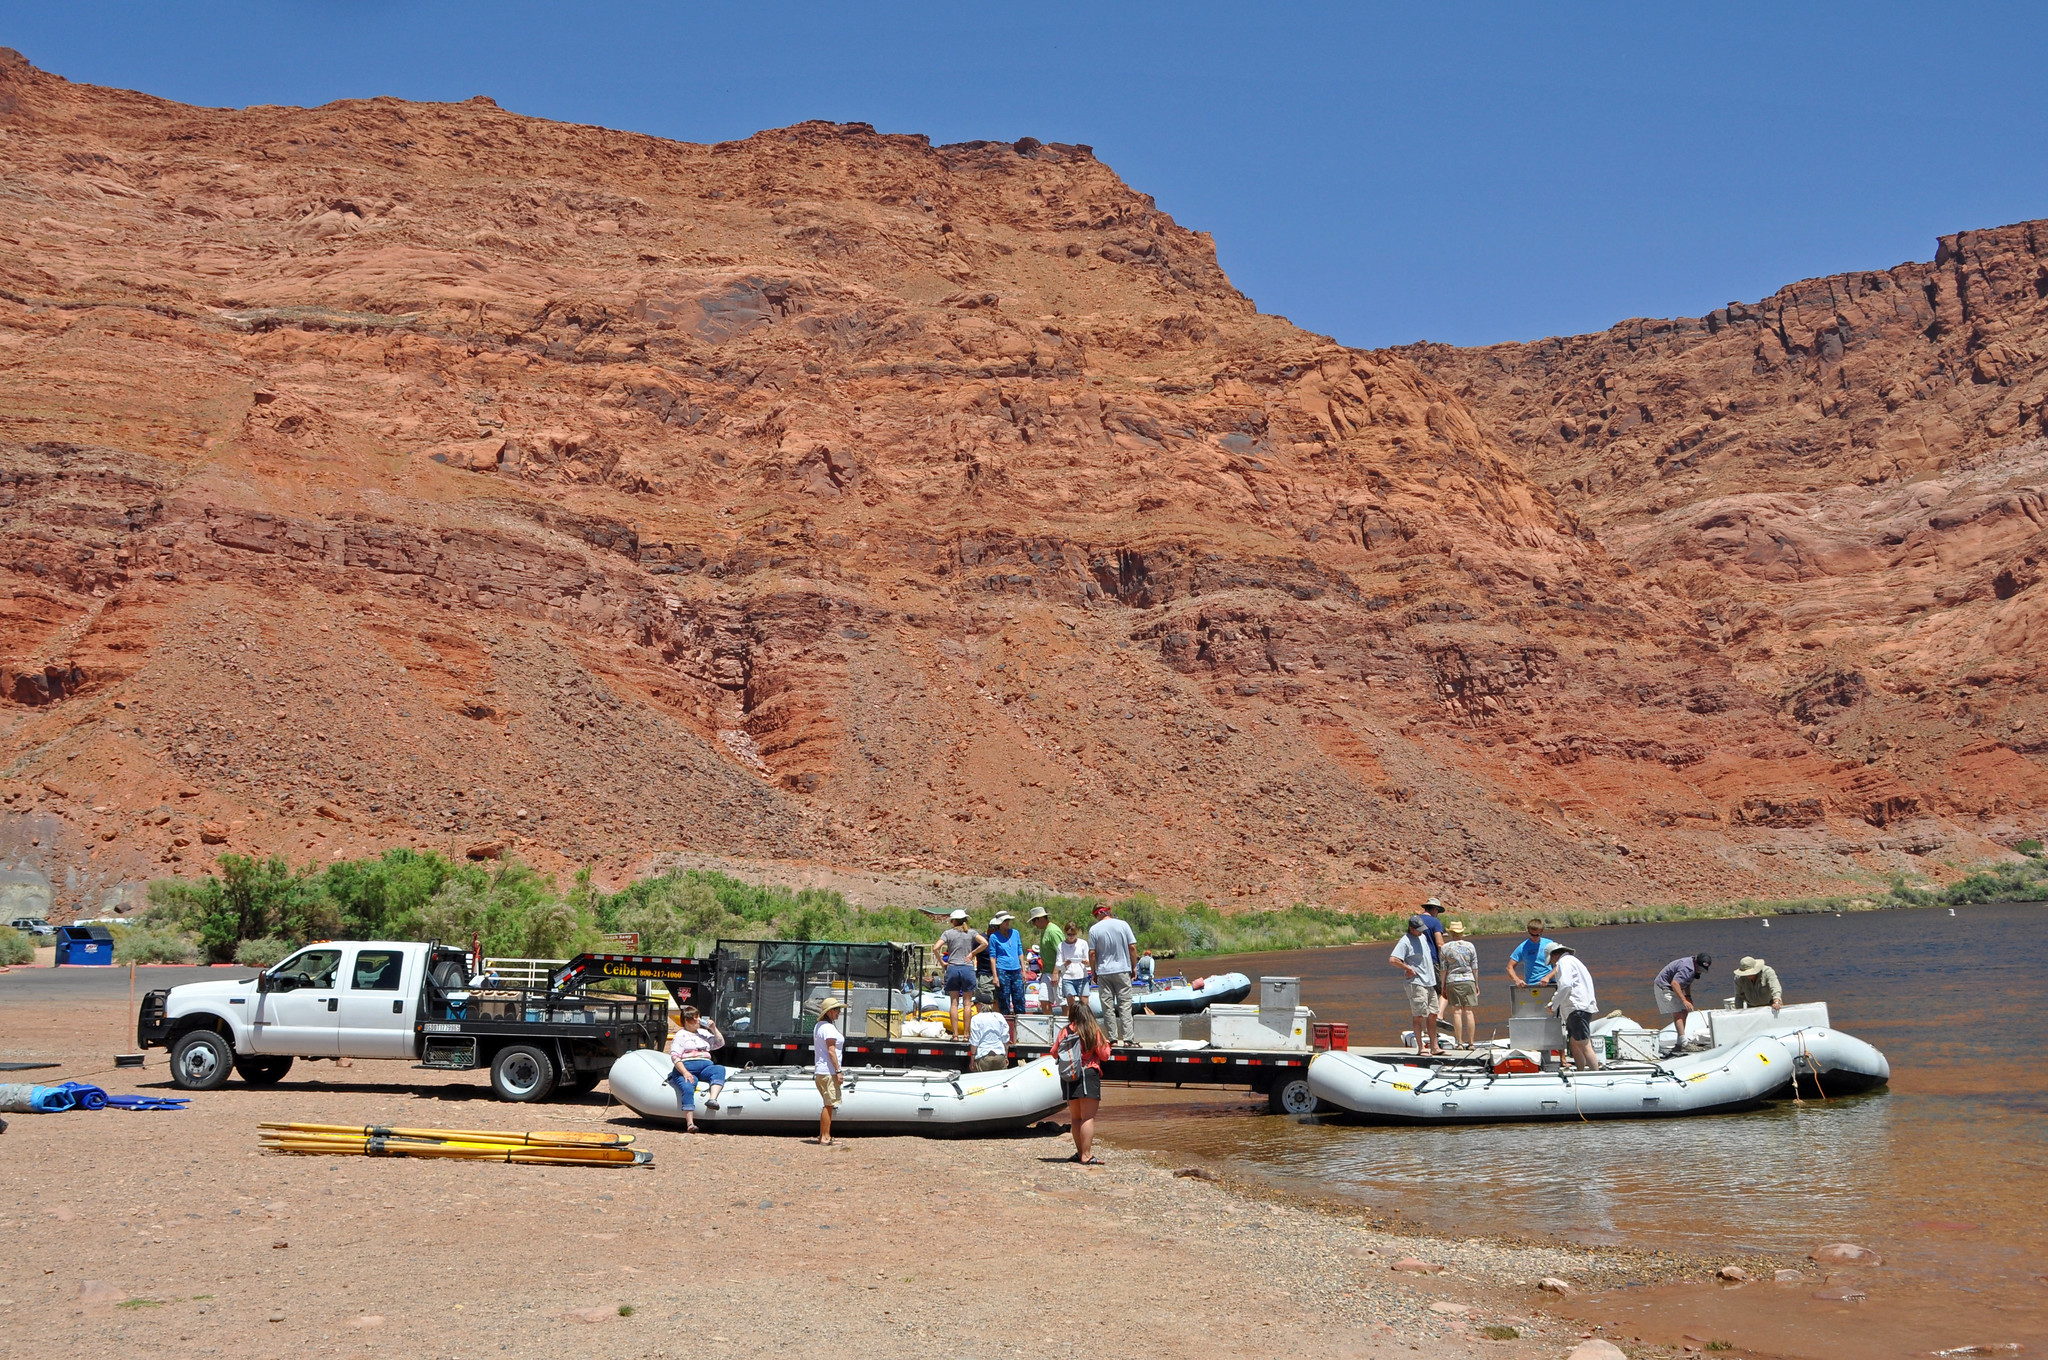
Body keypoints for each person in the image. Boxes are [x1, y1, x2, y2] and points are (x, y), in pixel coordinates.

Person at [1053, 995, 1112, 1165]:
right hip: (1088, 1074)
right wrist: (1107, 1044)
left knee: (1076, 1118)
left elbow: (1054, 1052)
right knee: (1088, 1118)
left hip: (1069, 1075)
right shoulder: (1092, 1030)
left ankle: (1080, 1153)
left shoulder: (1065, 1031)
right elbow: (1105, 1055)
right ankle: (1086, 1155)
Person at [666, 1005, 728, 1130]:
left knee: (719, 1069)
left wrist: (713, 1028)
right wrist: (685, 1073)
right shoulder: (680, 1035)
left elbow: (720, 1043)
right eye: (695, 1018)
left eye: (699, 1017)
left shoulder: (704, 1033)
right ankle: (690, 1123)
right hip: (687, 1067)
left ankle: (712, 1099)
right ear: (687, 1021)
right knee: (688, 1087)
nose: (699, 1020)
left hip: (705, 1065)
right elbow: (675, 1056)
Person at [1086, 902, 1140, 1044]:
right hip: (1122, 970)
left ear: (1098, 913)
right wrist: (1134, 967)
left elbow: (1092, 953)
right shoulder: (1123, 925)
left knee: (1107, 1007)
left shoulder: (1094, 930)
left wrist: (1093, 972)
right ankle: (1128, 1039)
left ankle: (1113, 1039)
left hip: (1104, 972)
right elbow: (1132, 948)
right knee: (1125, 1005)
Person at [1388, 916, 1439, 1056]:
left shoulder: (1422, 937)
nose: (1421, 932)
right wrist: (1408, 968)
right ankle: (1421, 1047)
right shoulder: (1405, 941)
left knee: (1433, 1013)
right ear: (1411, 928)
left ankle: (1434, 1046)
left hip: (1429, 981)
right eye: (1419, 930)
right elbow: (1393, 959)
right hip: (1416, 982)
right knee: (1419, 1015)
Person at [1545, 943, 1601, 1071]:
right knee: (1574, 1043)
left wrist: (1553, 1004)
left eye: (1551, 960)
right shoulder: (1575, 962)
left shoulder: (1563, 963)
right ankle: (1581, 1071)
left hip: (1576, 1008)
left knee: (1584, 1044)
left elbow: (1565, 985)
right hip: (1583, 1006)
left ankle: (1596, 1076)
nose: (1552, 963)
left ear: (1555, 954)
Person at [935, 908, 986, 1040]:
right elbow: (985, 943)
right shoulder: (971, 933)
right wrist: (973, 953)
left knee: (954, 1003)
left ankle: (956, 1034)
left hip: (952, 968)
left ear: (954, 921)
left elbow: (936, 948)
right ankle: (967, 1034)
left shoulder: (948, 933)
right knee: (967, 1003)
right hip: (967, 968)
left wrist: (942, 963)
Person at [1655, 952, 1714, 1050]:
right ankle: (1684, 1043)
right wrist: (1684, 1000)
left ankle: (1680, 1042)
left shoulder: (1693, 968)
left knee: (1684, 1010)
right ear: (1696, 963)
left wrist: (1688, 996)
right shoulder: (1687, 968)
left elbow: (1686, 982)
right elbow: (1675, 984)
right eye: (1699, 969)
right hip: (1664, 986)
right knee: (1678, 1012)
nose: (1700, 971)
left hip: (1674, 986)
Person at [1439, 920, 1480, 1050]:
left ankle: (1460, 1043)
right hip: (1468, 980)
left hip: (1452, 980)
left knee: (1456, 1012)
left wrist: (1443, 985)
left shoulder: (1445, 948)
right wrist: (1476, 983)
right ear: (1462, 932)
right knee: (1468, 1011)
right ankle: (1471, 1043)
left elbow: (1443, 968)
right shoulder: (1470, 946)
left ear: (1451, 933)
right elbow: (1475, 967)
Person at [986, 911, 1026, 1040]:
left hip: (1016, 969)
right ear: (999, 923)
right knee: (1004, 999)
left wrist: (1023, 970)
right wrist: (995, 975)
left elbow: (1020, 951)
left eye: (1008, 920)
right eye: (1005, 921)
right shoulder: (994, 937)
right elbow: (993, 956)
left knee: (1019, 998)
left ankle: (1021, 1029)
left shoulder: (1015, 933)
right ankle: (1005, 1031)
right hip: (1002, 969)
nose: (1007, 923)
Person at [812, 996, 846, 1145]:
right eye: (836, 1010)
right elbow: (831, 1050)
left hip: (821, 1071)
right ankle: (825, 1136)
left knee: (828, 1102)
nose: (839, 1012)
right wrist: (838, 1071)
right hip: (828, 1071)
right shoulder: (828, 1028)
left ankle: (823, 1135)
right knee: (829, 1104)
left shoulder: (820, 1026)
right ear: (829, 1011)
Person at [1416, 897, 1448, 1019]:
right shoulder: (1435, 922)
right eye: (1438, 911)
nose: (1437, 914)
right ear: (1434, 909)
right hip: (1432, 961)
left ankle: (1425, 1022)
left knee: (1423, 993)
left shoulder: (1415, 920)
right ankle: (1438, 1017)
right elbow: (1440, 943)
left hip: (1417, 963)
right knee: (1442, 990)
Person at [1506, 919, 1562, 989]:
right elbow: (1509, 967)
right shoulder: (1523, 947)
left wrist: (1548, 977)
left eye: (1537, 935)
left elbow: (1560, 964)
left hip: (1550, 984)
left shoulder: (1549, 944)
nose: (1535, 937)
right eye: (1532, 935)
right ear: (1529, 932)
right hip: (1531, 985)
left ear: (1541, 932)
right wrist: (1517, 980)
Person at [1030, 905, 1065, 1014]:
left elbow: (1061, 952)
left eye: (1034, 921)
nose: (1034, 925)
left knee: (1063, 1001)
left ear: (1040, 919)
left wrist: (1056, 972)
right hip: (1046, 972)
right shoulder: (1044, 931)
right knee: (1044, 999)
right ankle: (1050, 1025)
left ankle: (1067, 1025)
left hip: (1057, 972)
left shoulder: (1053, 931)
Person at [967, 996, 1010, 1071]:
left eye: (975, 1004)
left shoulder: (976, 1018)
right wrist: (1006, 1056)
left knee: (983, 1081)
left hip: (983, 1055)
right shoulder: (999, 1016)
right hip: (999, 1055)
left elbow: (974, 1041)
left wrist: (972, 1059)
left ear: (981, 1005)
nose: (975, 1006)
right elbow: (1005, 1039)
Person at [1057, 924, 1091, 1006]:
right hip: (1067, 977)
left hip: (1082, 976)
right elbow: (1058, 964)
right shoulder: (1061, 945)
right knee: (1071, 1004)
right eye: (1069, 934)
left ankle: (1084, 1019)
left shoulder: (1083, 943)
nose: (1071, 936)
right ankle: (1072, 1018)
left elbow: (1088, 960)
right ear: (1065, 933)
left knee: (1084, 1004)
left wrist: (1086, 962)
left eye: (1073, 934)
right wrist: (1065, 964)